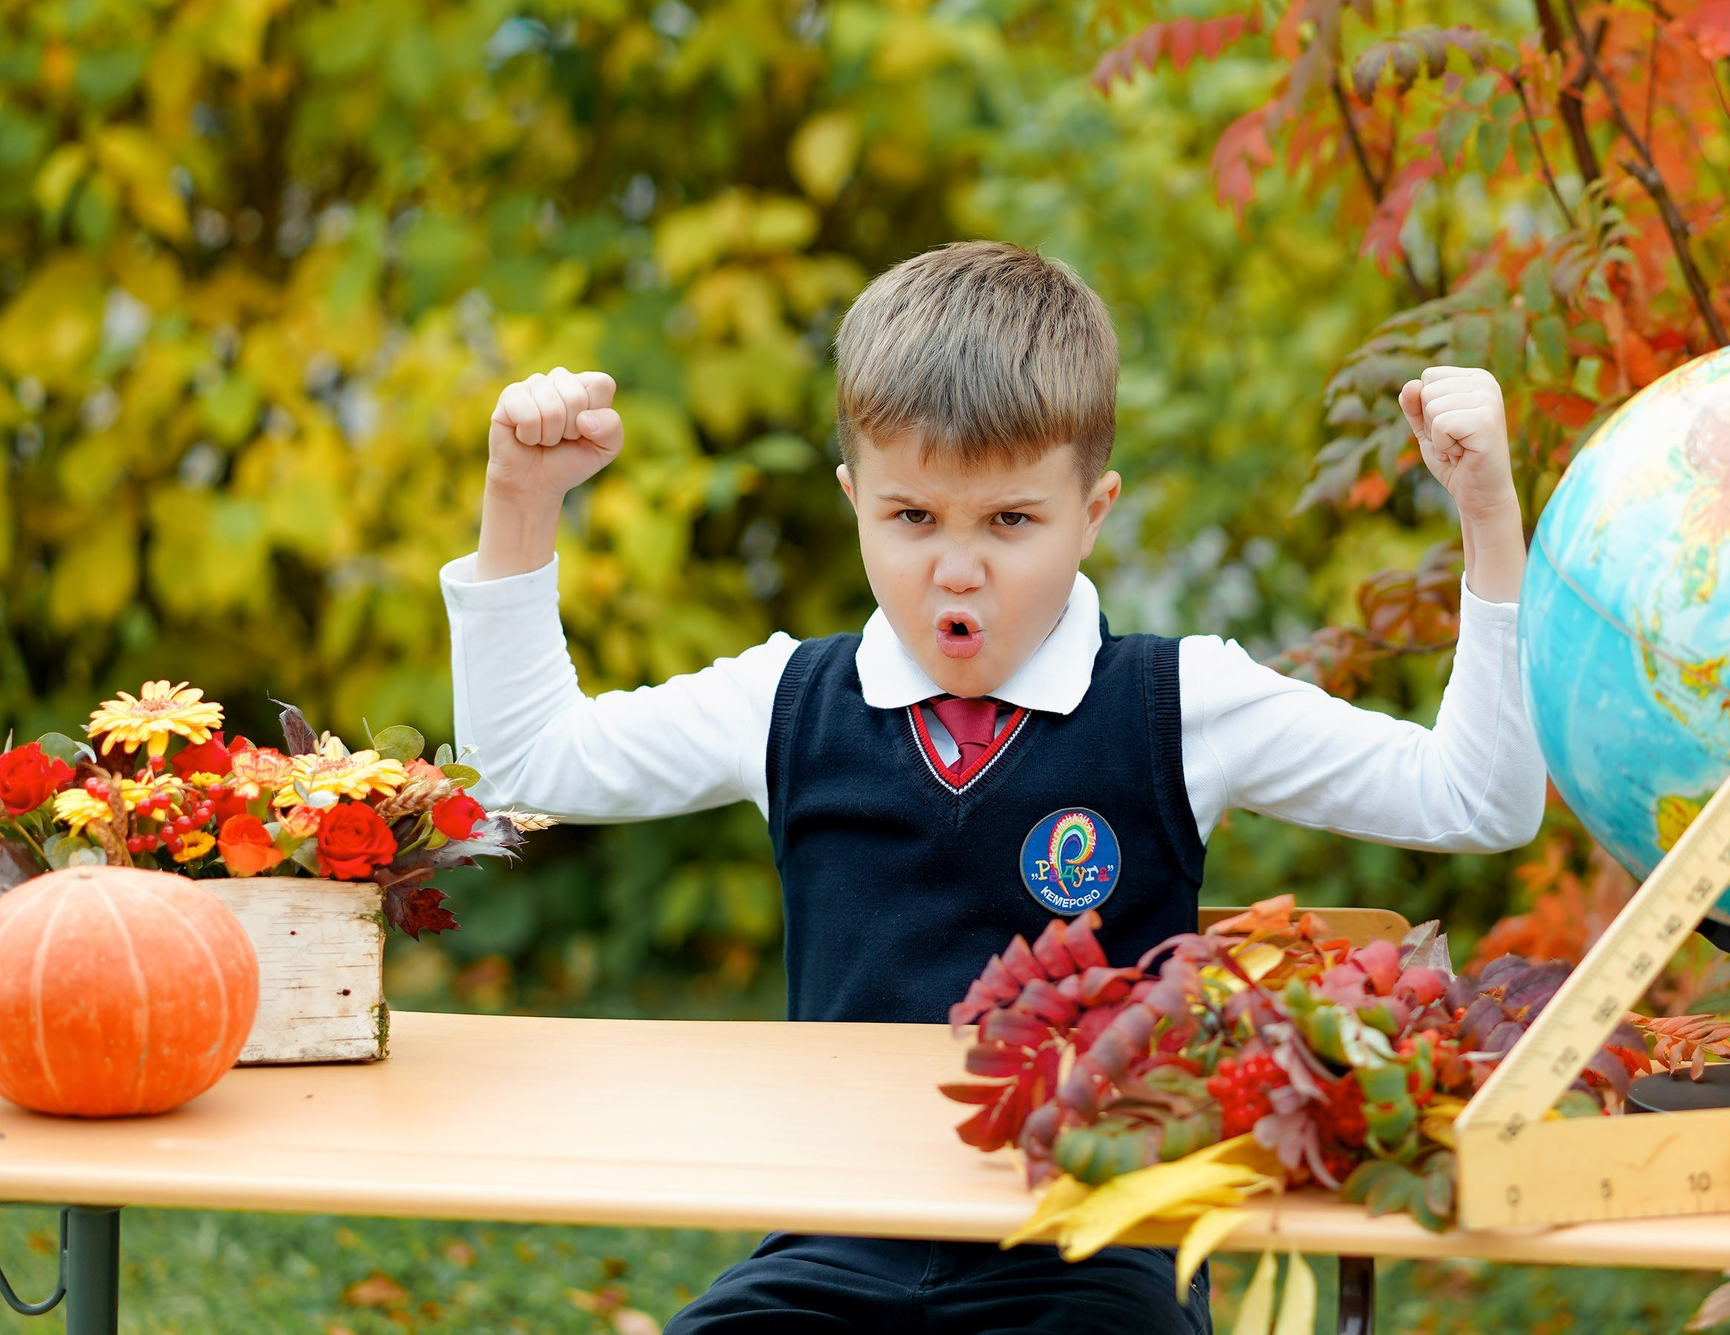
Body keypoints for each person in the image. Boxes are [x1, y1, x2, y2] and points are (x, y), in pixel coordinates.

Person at [442, 241, 1544, 1333]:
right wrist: (520, 505)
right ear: (852, 499)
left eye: (1011, 522)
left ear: (1093, 509)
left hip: (1093, 1257)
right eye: (912, 518)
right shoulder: (785, 701)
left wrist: (1490, 523)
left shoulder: (1181, 701)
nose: (957, 569)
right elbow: (523, 769)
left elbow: (1475, 802)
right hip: (833, 1247)